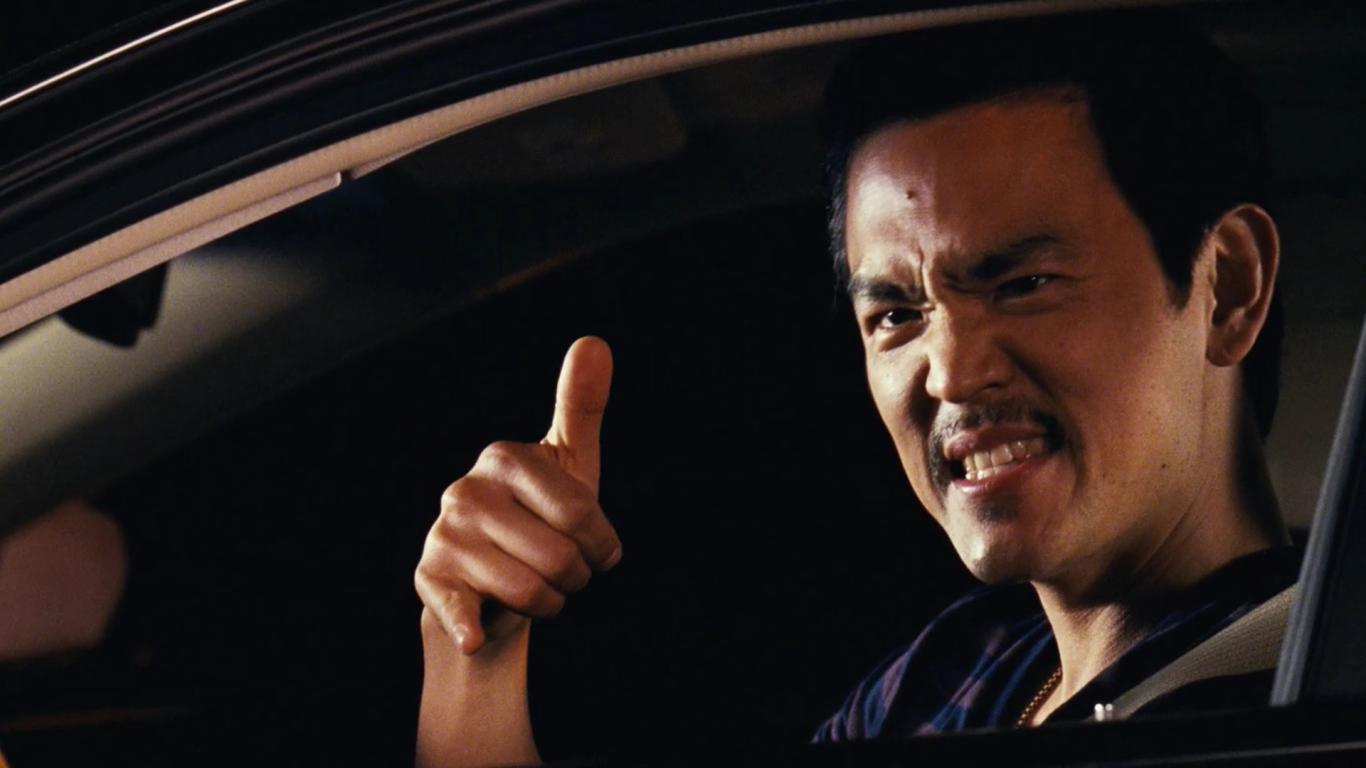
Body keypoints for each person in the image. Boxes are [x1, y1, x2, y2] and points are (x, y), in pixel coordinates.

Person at [412, 13, 1293, 765]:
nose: (950, 373)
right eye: (897, 316)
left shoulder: (1313, 684)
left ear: (1227, 287)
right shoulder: (953, 670)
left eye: (1024, 284)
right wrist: (477, 655)